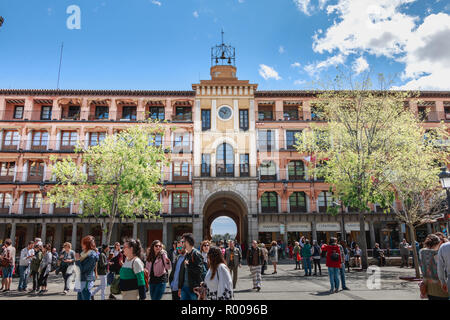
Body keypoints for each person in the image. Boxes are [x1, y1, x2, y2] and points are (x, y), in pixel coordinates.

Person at [419, 234, 448, 300]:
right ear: (438, 243)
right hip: (440, 285)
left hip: (428, 286)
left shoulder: (421, 252)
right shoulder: (438, 254)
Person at [180, 233, 203, 300]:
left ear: (187, 242)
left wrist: (188, 265)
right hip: (184, 287)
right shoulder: (187, 254)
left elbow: (199, 271)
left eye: (182, 241)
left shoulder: (196, 254)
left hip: (193, 288)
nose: (181, 243)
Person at [75, 236, 99, 300]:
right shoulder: (84, 254)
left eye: (83, 243)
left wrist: (77, 260)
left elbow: (82, 269)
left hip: (86, 280)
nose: (81, 244)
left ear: (86, 244)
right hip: (81, 280)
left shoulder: (92, 256)